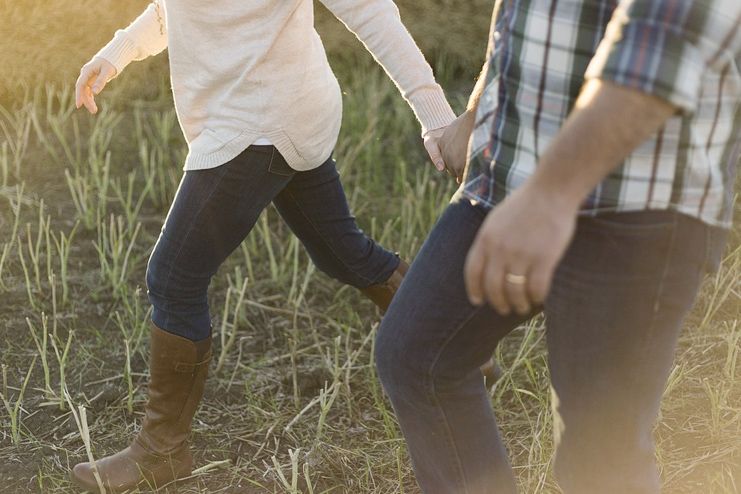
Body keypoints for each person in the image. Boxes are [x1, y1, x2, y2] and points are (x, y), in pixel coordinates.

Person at [70, 0, 458, 491]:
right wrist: (117, 51)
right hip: (282, 106)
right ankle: (452, 340)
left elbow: (369, 10)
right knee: (342, 252)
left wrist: (436, 117)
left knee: (173, 277)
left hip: (259, 121)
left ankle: (161, 450)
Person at [375, 0, 740, 491]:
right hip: (511, 175)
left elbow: (664, 46)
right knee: (418, 356)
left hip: (635, 201)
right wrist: (479, 104)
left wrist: (551, 194)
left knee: (599, 457)